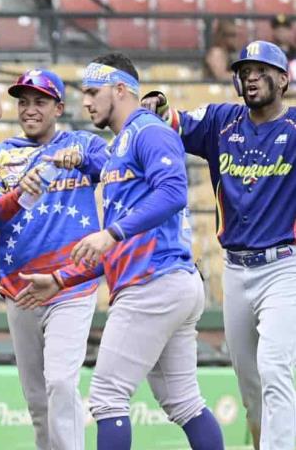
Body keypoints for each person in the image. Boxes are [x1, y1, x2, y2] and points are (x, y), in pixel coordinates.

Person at [16, 54, 225, 450]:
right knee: (184, 403)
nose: (87, 103)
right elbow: (118, 241)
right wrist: (61, 279)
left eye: (93, 92)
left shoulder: (148, 131)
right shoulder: (120, 146)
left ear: (121, 89)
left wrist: (110, 233)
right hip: (169, 282)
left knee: (108, 397)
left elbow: (174, 192)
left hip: (154, 282)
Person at [141, 40, 295, 450]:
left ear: (284, 78)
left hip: (285, 265)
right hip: (236, 269)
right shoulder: (220, 121)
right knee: (251, 386)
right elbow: (170, 120)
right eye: (245, 70)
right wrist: (157, 103)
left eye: (262, 70)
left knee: (277, 369)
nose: (251, 77)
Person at [0, 69, 105, 450]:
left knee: (62, 383)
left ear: (59, 108)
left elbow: (115, 166)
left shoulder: (81, 142)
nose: (30, 109)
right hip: (21, 287)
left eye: (40, 101)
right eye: (23, 101)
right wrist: (16, 195)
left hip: (72, 283)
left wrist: (81, 158)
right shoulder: (0, 153)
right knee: (36, 400)